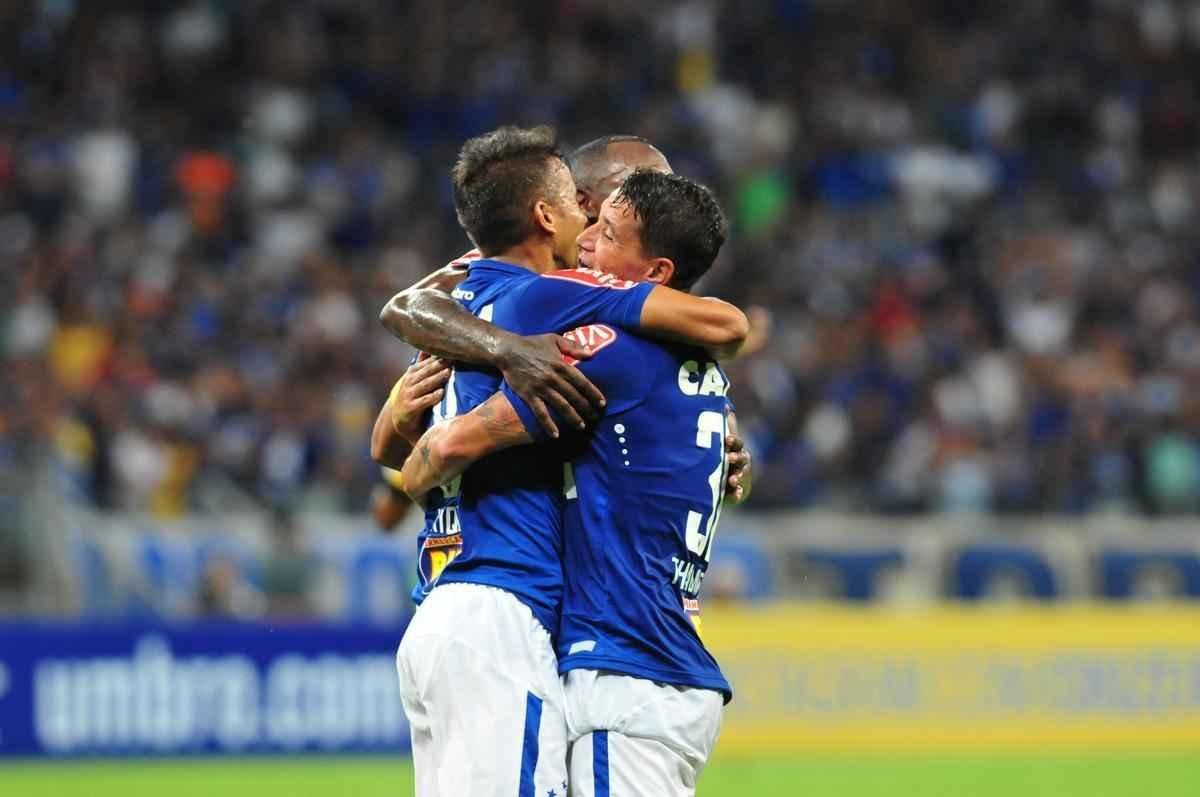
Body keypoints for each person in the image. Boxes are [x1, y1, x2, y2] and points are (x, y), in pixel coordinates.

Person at [380, 126, 749, 797]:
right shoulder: (561, 310)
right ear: (568, 206)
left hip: (488, 611)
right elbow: (725, 326)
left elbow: (397, 438)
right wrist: (510, 355)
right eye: (604, 211)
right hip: (507, 609)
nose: (596, 230)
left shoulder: (510, 303)